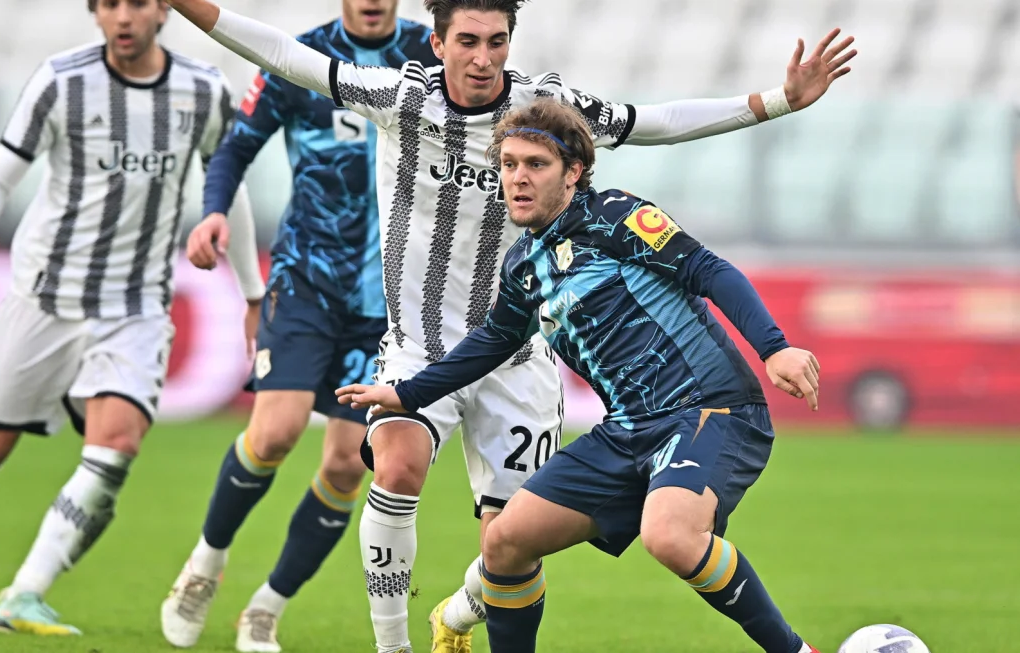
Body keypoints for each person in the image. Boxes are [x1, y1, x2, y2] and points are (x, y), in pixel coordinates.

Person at [162, 0, 854, 650]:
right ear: (436, 43)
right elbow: (285, 54)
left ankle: (462, 608)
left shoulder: (552, 124)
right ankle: (393, 642)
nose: (483, 57)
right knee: (404, 471)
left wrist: (776, 100)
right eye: (467, 41)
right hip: (421, 346)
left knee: (509, 540)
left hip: (525, 360)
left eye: (496, 41)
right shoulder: (403, 102)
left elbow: (657, 121)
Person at [337, 97, 824, 653]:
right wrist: (408, 394)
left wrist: (775, 348)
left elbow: (706, 269)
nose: (517, 178)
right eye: (509, 164)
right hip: (628, 431)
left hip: (709, 409)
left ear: (573, 172)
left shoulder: (615, 217)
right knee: (505, 543)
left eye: (536, 165)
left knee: (669, 534)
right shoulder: (523, 264)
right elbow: (495, 340)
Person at [0, 0, 261, 635]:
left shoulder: (201, 91)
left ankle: (22, 594)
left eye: (139, 3)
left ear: (162, 13)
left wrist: (252, 290)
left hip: (136, 303)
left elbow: (230, 183)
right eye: (111, 4)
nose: (124, 16)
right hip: (45, 297)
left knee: (116, 445)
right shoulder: (61, 81)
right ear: (95, 13)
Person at [160, 1, 439, 650]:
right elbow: (233, 150)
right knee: (276, 431)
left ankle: (266, 606)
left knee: (346, 465)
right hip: (308, 281)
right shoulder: (301, 58)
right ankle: (204, 562)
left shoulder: (435, 56)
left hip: (389, 304)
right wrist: (211, 213)